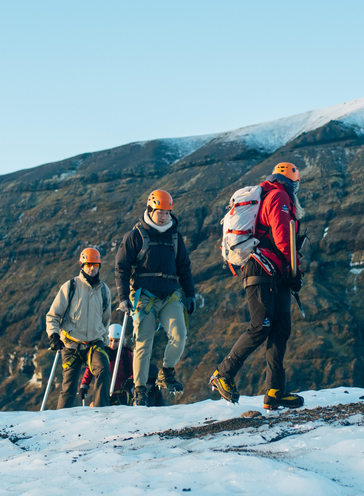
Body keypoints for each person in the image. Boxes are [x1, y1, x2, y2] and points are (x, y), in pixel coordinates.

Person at [210, 162, 306, 409]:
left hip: (276, 272)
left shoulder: (272, 194)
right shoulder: (279, 196)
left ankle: (275, 391)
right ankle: (223, 374)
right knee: (261, 327)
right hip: (262, 269)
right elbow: (284, 238)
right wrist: (295, 268)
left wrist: (290, 271)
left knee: (280, 329)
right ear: (293, 183)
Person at [115, 189, 196, 406]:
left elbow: (184, 268)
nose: (164, 217)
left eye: (167, 213)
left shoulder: (175, 237)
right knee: (143, 343)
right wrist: (123, 297)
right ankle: (139, 390)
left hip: (170, 295)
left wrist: (190, 295)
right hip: (144, 297)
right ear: (150, 209)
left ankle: (166, 372)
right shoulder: (135, 236)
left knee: (180, 335)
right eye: (160, 212)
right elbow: (121, 268)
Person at [45, 248, 112, 409]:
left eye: (95, 264)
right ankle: (61, 420)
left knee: (103, 370)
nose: (92, 268)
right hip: (71, 344)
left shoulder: (104, 290)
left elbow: (106, 320)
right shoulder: (70, 286)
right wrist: (53, 336)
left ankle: (100, 411)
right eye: (89, 264)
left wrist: (105, 341)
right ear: (82, 265)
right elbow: (53, 315)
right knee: (68, 387)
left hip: (94, 343)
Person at [80, 323, 134, 405]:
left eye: (116, 341)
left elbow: (133, 371)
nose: (113, 344)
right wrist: (84, 384)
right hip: (103, 394)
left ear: (122, 340)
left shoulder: (126, 353)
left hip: (121, 395)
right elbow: (91, 368)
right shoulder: (101, 352)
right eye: (110, 340)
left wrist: (131, 380)